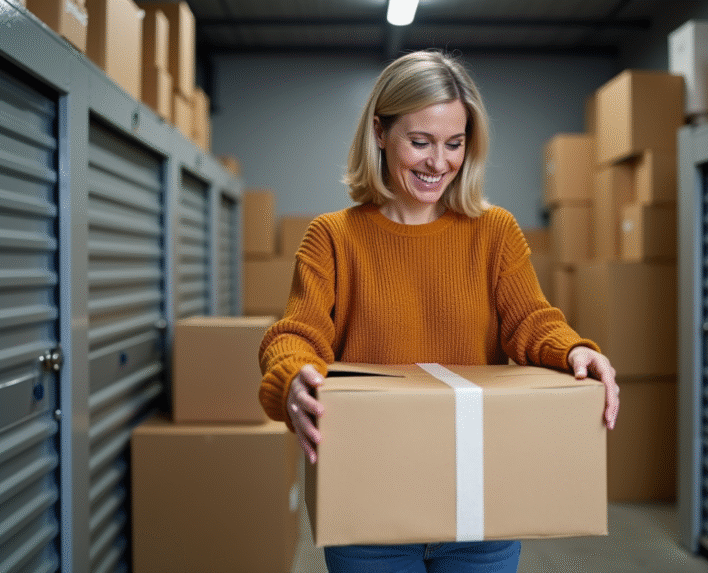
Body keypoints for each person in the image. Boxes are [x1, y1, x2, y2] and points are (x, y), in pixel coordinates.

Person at [258, 49, 620, 573]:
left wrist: (577, 351)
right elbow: (295, 335)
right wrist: (292, 376)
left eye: (454, 143)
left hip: (479, 505)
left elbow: (531, 322)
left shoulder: (494, 232)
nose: (439, 162)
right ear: (380, 133)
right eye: (420, 142)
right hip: (369, 507)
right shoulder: (333, 238)